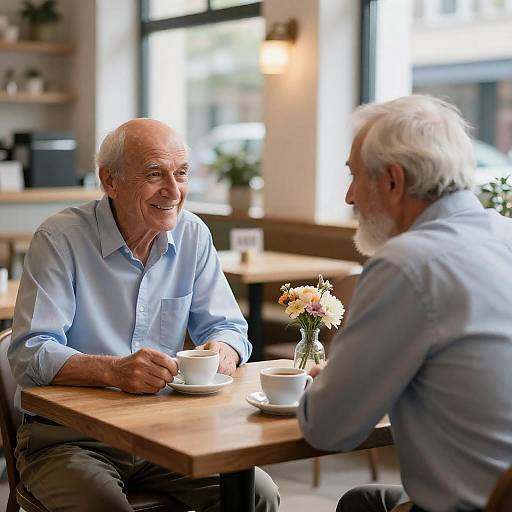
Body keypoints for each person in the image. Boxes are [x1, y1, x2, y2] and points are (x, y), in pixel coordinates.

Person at [8, 118, 280, 512]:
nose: (173, 191)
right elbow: (29, 353)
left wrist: (223, 350)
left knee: (258, 494)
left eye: (182, 173)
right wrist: (113, 371)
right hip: (69, 439)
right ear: (110, 181)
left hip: (165, 433)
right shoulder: (59, 239)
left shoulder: (193, 235)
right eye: (155, 174)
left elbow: (229, 327)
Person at [297, 95, 512, 512]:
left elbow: (328, 428)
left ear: (393, 181)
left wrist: (324, 383)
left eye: (354, 176)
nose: (348, 197)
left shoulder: (407, 264)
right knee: (367, 501)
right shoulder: (506, 234)